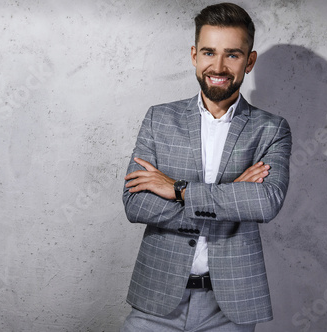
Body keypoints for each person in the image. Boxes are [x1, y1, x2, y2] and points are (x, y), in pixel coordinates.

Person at [120, 3, 292, 331]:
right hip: (156, 296)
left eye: (233, 54)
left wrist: (176, 189)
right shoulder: (160, 119)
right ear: (194, 55)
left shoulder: (271, 129)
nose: (218, 65)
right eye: (209, 52)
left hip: (230, 308)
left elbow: (266, 203)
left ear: (249, 61)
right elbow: (135, 203)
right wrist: (230, 195)